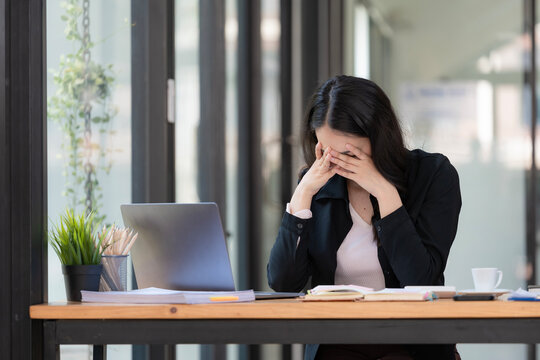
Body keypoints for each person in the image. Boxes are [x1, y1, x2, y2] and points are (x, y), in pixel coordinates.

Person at [267, 75, 462, 360]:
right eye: (327, 151)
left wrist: (384, 191)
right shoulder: (319, 184)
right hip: (338, 343)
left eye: (349, 152)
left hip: (413, 344)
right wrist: (303, 192)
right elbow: (283, 281)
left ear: (379, 136)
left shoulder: (433, 175)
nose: (337, 162)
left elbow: (421, 279)